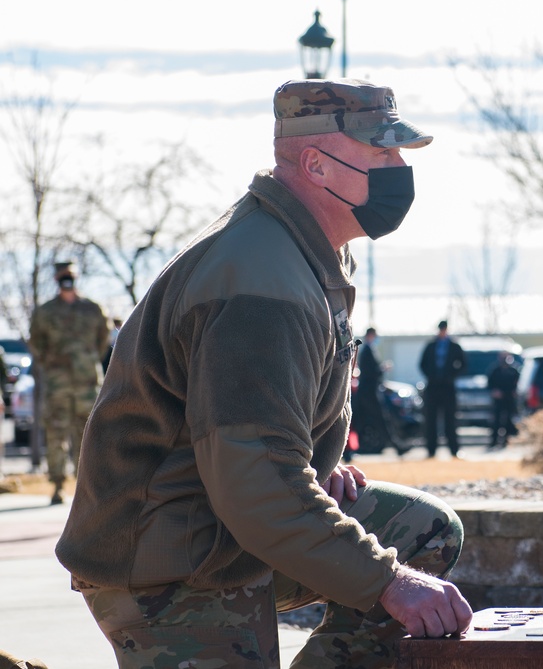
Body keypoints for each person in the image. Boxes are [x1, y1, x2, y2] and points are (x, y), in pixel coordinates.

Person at [55, 78, 472, 669]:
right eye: (381, 151)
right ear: (316, 165)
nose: (398, 166)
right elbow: (255, 481)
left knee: (420, 530)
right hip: (169, 564)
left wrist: (313, 467)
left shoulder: (301, 250)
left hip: (222, 527)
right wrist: (389, 584)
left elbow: (260, 448)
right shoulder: (258, 279)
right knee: (393, 572)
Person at [28, 262, 109, 505]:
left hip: (87, 385)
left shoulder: (93, 309)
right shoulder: (45, 312)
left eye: (70, 276)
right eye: (63, 276)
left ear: (76, 277)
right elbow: (36, 343)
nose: (67, 280)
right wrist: (52, 364)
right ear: (56, 278)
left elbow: (103, 340)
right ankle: (57, 486)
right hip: (58, 385)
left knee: (88, 435)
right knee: (56, 435)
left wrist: (88, 360)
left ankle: (87, 488)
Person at [355, 327, 408, 455]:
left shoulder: (367, 350)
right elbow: (370, 372)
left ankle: (352, 449)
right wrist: (382, 369)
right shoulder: (367, 350)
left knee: (364, 420)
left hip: (367, 391)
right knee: (380, 419)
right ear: (370, 335)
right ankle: (396, 446)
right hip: (369, 391)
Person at [419, 320, 466, 457]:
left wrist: (451, 376)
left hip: (448, 387)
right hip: (433, 387)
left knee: (450, 419)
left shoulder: (454, 346)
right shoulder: (431, 346)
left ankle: (454, 449)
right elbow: (422, 364)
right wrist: (431, 376)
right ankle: (431, 450)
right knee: (431, 419)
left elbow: (463, 364)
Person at [485, 351, 520, 448]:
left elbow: (518, 384)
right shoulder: (495, 370)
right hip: (498, 400)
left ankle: (506, 441)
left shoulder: (513, 370)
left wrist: (514, 392)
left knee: (508, 420)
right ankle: (494, 441)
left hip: (509, 399)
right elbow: (489, 384)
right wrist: (494, 391)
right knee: (496, 420)